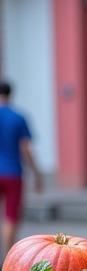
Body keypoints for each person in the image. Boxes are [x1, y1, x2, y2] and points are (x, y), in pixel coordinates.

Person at [0, 80, 44, 256]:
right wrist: (37, 173)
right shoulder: (18, 117)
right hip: (12, 173)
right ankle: (7, 257)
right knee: (10, 216)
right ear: (11, 94)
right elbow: (25, 148)